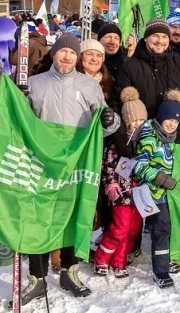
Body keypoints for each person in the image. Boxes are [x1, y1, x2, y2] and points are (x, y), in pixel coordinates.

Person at [22, 34, 120, 303]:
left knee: (72, 215)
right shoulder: (34, 84)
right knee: (39, 218)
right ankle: (37, 277)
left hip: (77, 163)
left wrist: (111, 120)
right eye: (62, 52)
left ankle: (69, 270)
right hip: (43, 162)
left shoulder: (89, 85)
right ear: (53, 53)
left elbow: (104, 125)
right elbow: (19, 123)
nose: (67, 57)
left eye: (72, 53)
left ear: (78, 58)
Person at [114, 18, 180, 144]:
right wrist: (122, 137)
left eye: (164, 36)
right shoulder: (130, 66)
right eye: (155, 36)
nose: (160, 41)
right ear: (146, 38)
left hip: (173, 135)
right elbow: (116, 103)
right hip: (140, 137)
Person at [94, 87, 148, 279]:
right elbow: (107, 165)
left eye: (141, 120)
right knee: (119, 229)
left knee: (132, 232)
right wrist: (111, 185)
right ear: (126, 121)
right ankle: (101, 259)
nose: (138, 124)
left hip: (141, 195)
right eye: (134, 120)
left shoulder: (147, 142)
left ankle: (119, 261)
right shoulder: (118, 143)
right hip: (121, 196)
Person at [133, 95, 180, 289]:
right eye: (169, 119)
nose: (172, 124)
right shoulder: (149, 137)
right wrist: (161, 178)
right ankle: (160, 271)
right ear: (161, 117)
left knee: (168, 227)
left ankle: (165, 258)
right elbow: (139, 165)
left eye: (176, 121)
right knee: (161, 229)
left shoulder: (170, 139)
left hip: (167, 194)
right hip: (152, 193)